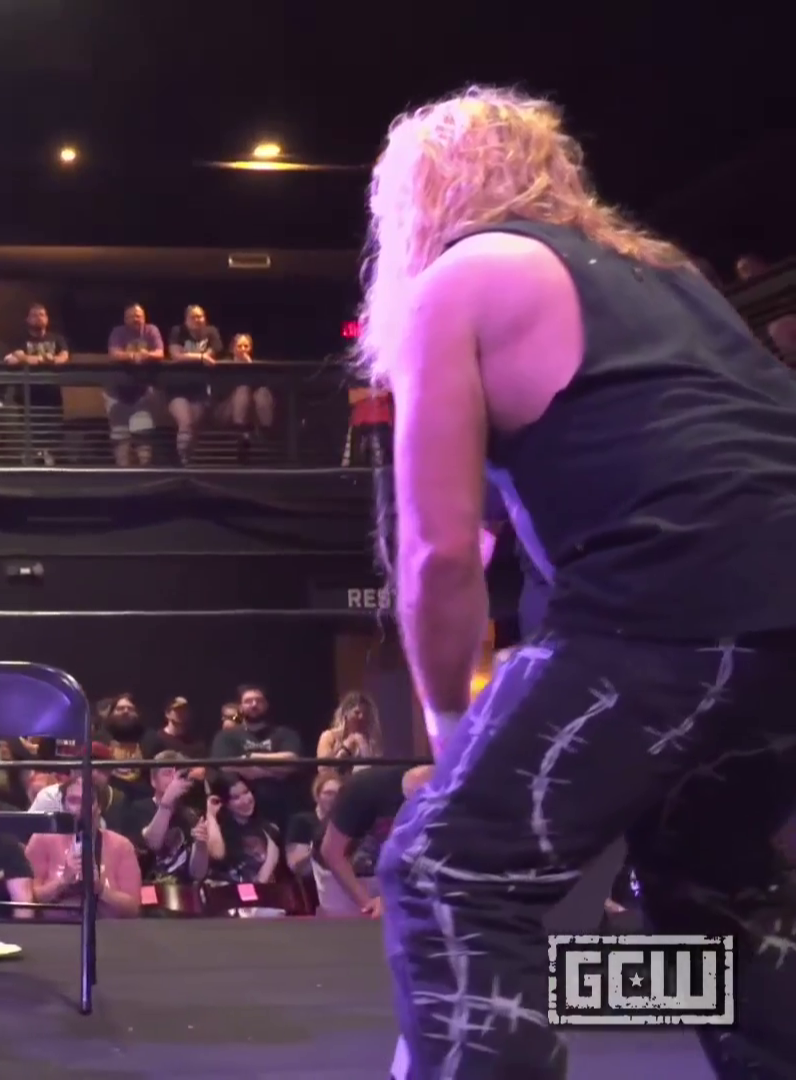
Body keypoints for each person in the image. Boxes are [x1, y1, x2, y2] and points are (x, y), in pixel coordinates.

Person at [359, 86, 796, 1078]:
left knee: (445, 870)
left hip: (677, 604)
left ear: (419, 198)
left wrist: (450, 728)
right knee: (715, 887)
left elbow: (439, 553)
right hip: (769, 616)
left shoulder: (463, 277)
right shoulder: (665, 274)